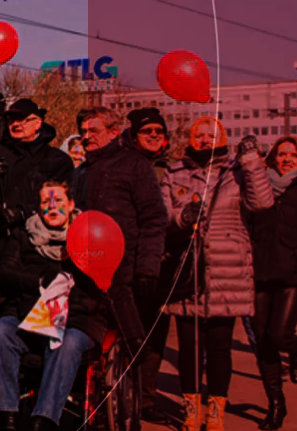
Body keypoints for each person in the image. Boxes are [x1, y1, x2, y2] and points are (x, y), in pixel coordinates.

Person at [162, 120, 272, 431]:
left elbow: (262, 202)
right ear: (189, 139)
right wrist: (180, 217)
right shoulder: (175, 171)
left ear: (223, 138)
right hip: (187, 268)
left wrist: (252, 162)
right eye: (198, 134)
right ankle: (191, 412)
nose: (204, 139)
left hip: (228, 268)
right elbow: (161, 212)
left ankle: (215, 415)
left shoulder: (237, 170)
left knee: (221, 346)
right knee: (189, 346)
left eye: (212, 134)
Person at [0, 182, 108, 431]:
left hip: (75, 320)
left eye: (59, 201)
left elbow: (100, 285)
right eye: (45, 202)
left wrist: (63, 307)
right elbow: (2, 271)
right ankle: (6, 415)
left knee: (68, 341)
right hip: (27, 314)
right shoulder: (24, 234)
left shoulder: (89, 236)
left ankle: (43, 420)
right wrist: (38, 282)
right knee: (0, 331)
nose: (52, 208)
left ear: (71, 204)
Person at [0, 98, 73, 325]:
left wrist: (25, 212)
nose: (16, 124)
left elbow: (65, 201)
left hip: (42, 255)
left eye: (23, 119)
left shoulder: (58, 160)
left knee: (47, 328)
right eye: (12, 119)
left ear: (38, 122)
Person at [72, 108, 167, 373]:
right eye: (83, 132)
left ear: (114, 133)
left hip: (125, 265)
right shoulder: (80, 172)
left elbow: (154, 217)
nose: (86, 137)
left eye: (93, 131)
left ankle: (138, 358)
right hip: (86, 265)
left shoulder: (135, 165)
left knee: (130, 342)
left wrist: (148, 266)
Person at [248, 136, 297, 430]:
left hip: (293, 274)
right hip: (260, 271)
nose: (287, 159)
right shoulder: (260, 187)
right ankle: (276, 403)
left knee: (280, 333)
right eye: (281, 154)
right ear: (272, 158)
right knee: (262, 339)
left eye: (293, 155)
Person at [121, 106, 173, 423]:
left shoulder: (171, 169)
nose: (154, 136)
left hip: (162, 262)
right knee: (127, 330)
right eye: (146, 131)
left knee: (155, 332)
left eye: (158, 131)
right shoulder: (124, 165)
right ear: (134, 135)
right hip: (126, 259)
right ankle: (122, 392)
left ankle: (146, 399)